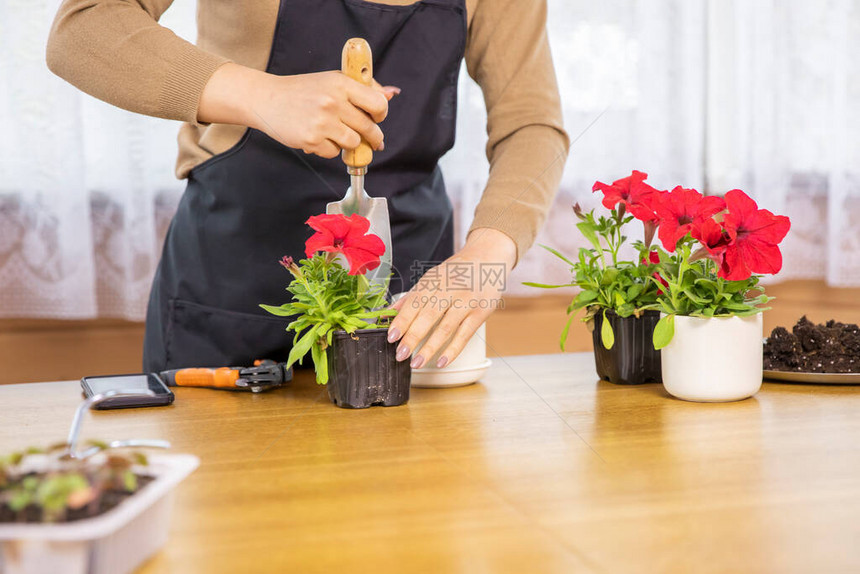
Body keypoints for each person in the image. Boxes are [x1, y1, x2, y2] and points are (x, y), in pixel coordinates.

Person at [46, 0, 568, 372]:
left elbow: (531, 123)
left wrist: (488, 252)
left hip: (403, 300)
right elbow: (84, 27)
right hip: (233, 288)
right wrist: (258, 95)